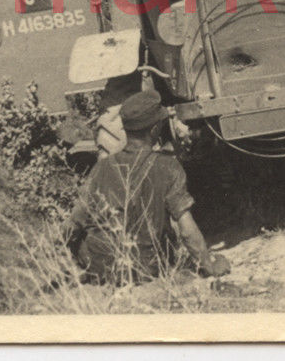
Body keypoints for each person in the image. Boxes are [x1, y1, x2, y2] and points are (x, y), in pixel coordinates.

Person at [66, 89, 231, 283]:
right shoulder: (168, 167)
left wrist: (65, 260)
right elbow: (186, 229)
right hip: (148, 268)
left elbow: (75, 222)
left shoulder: (101, 167)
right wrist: (208, 265)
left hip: (103, 270)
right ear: (154, 130)